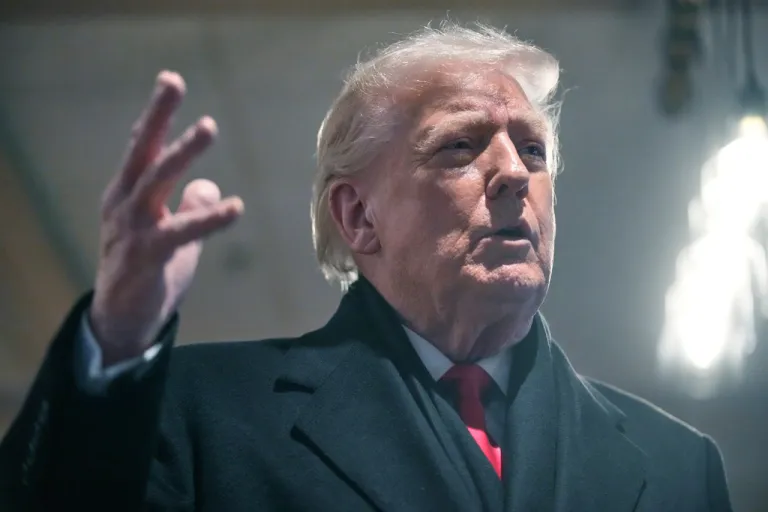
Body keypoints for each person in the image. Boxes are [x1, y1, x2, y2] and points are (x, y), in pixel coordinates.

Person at [0, 22, 733, 511]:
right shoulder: (199, 415)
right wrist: (117, 342)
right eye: (460, 146)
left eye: (533, 151)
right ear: (358, 217)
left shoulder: (679, 466)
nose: (514, 174)